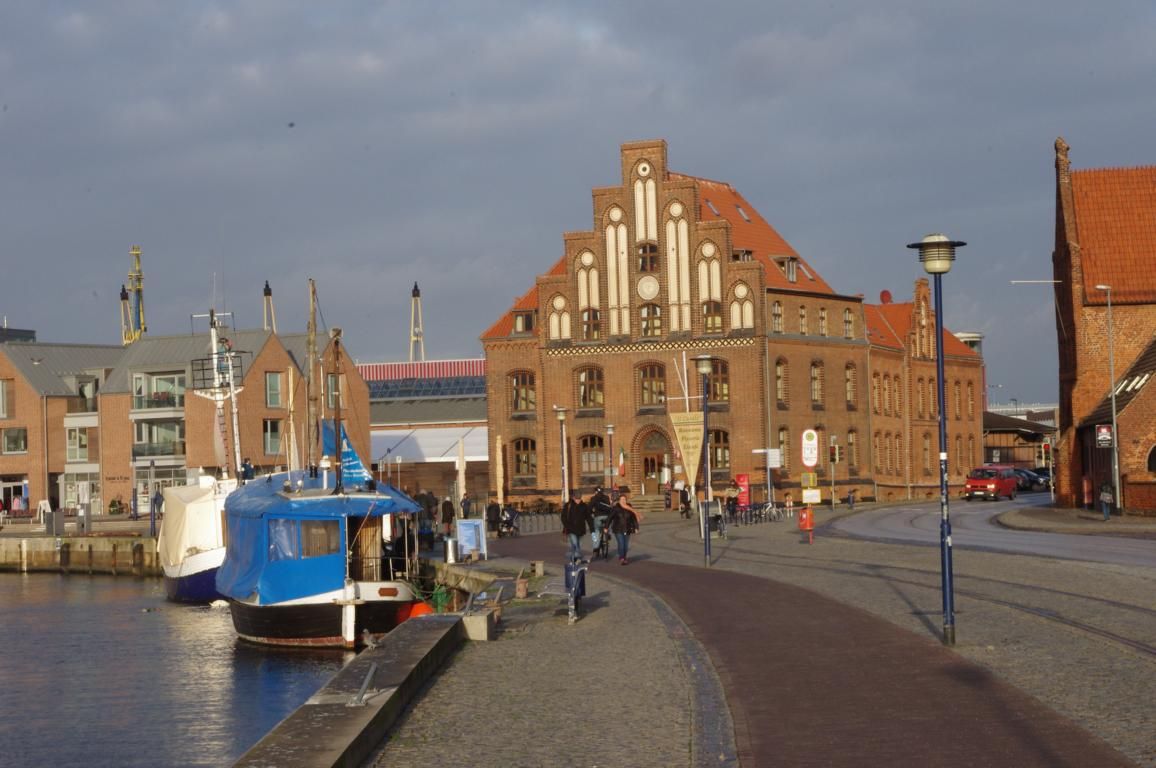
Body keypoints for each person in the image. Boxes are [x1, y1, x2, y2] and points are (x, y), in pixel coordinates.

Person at [607, 486, 640, 565]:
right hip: (618, 529)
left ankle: (624, 557)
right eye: (622, 500)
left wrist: (636, 527)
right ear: (619, 500)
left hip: (627, 528)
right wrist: (606, 527)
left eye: (624, 499)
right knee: (621, 544)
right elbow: (610, 518)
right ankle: (622, 558)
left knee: (625, 545)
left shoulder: (629, 507)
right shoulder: (616, 508)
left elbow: (633, 518)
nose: (623, 501)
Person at [561, 491, 593, 563]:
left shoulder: (584, 506)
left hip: (581, 529)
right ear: (573, 498)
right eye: (577, 499)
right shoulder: (568, 505)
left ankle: (572, 557)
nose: (578, 500)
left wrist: (592, 529)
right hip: (571, 529)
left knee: (576, 545)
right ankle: (578, 558)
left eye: (579, 499)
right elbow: (563, 517)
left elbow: (588, 518)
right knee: (575, 543)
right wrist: (567, 526)